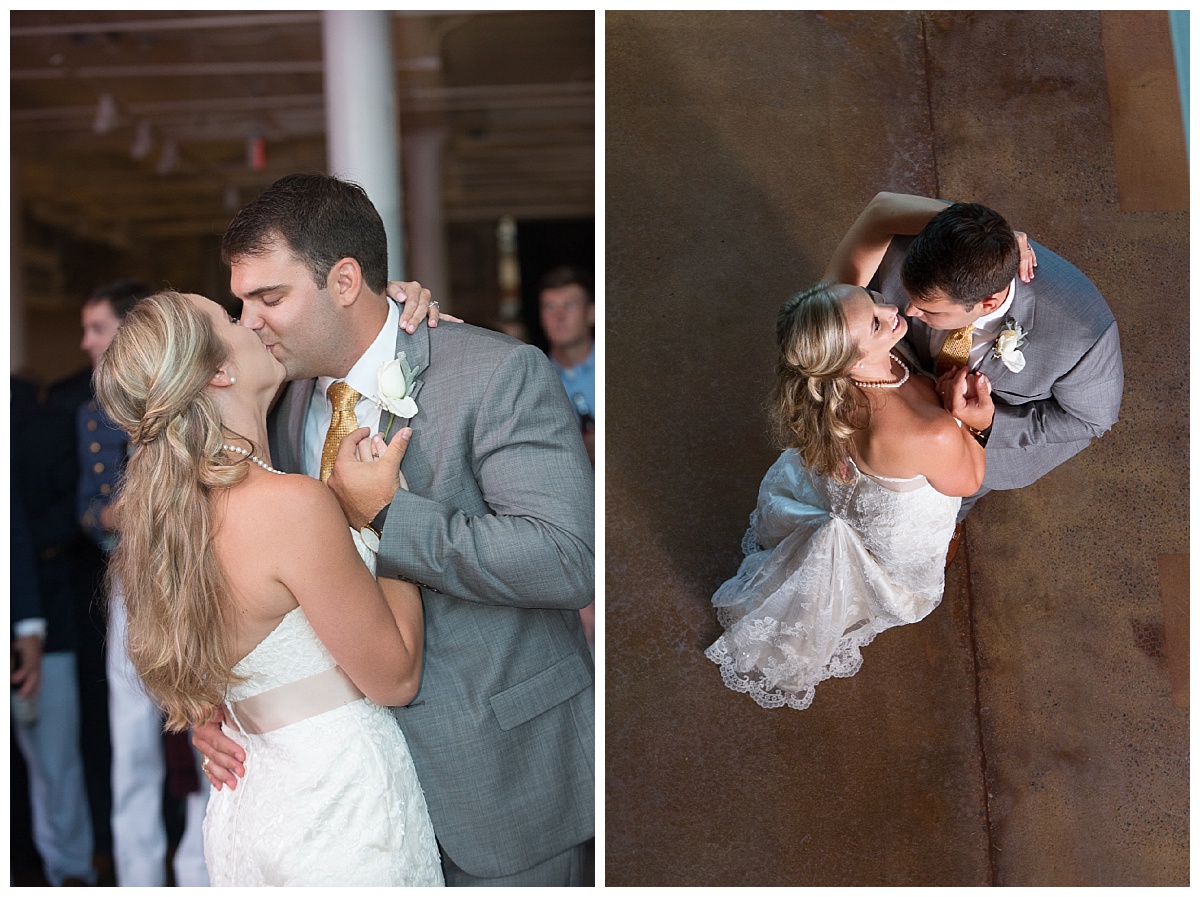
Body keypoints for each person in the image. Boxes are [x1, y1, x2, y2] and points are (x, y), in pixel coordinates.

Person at [196, 173, 596, 886]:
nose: (251, 321)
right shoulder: (279, 412)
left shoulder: (496, 373)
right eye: (241, 303)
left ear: (345, 280)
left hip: (503, 783)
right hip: (360, 802)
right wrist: (223, 707)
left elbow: (568, 558)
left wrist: (389, 515)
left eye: (270, 297)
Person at [93, 289, 444, 886]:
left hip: (250, 807)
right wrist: (383, 517)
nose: (252, 320)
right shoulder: (289, 507)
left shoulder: (162, 523)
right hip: (336, 807)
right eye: (231, 319)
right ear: (219, 372)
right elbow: (396, 676)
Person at [704, 194, 1014, 710]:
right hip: (898, 518)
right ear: (848, 359)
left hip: (853, 481)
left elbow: (880, 212)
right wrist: (978, 424)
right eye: (875, 323)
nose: (892, 310)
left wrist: (995, 242)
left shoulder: (824, 339)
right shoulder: (927, 434)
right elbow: (968, 481)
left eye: (869, 299)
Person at [866, 192, 1124, 558]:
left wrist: (982, 425)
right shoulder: (911, 243)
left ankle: (949, 524)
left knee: (957, 494)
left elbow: (1090, 420)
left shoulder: (1082, 333)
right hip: (889, 398)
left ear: (987, 303)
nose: (905, 312)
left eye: (927, 310)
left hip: (985, 448)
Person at [76, 278, 212, 887]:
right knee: (131, 737)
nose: (87, 342)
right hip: (131, 579)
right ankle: (138, 878)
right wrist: (123, 514)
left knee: (208, 721)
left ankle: (200, 870)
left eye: (98, 328)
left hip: (194, 572)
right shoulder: (91, 411)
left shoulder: (192, 395)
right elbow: (86, 507)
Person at [11, 376, 97, 885]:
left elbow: (14, 530)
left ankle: (72, 875)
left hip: (38, 628)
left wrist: (27, 628)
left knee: (55, 765)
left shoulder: (32, 424)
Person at [538, 265, 596, 650]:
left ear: (590, 312)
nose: (559, 317)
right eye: (549, 307)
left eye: (569, 305)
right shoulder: (535, 377)